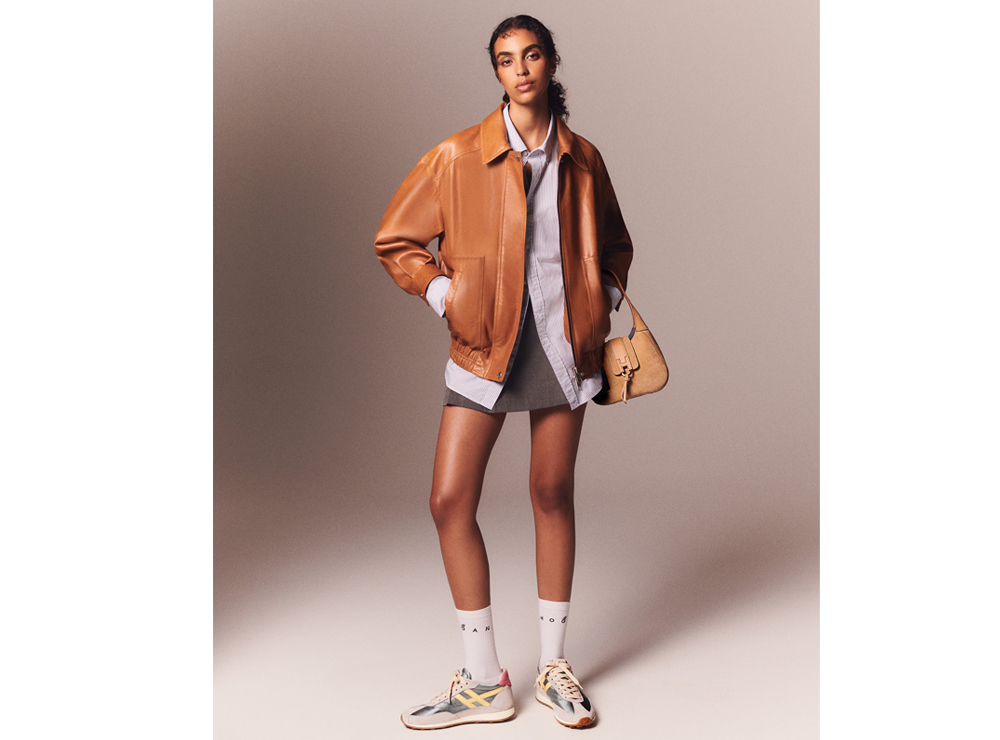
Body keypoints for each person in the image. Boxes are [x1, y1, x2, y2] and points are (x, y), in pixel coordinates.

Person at [374, 14, 633, 730]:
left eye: (531, 55)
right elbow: (396, 239)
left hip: (562, 343)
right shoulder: (457, 155)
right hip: (484, 345)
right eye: (505, 59)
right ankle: (484, 680)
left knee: (551, 492)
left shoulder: (583, 159)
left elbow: (615, 246)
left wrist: (599, 301)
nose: (520, 69)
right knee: (449, 501)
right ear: (496, 72)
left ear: (551, 63)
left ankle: (554, 667)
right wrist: (443, 293)